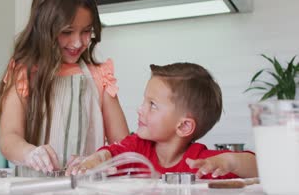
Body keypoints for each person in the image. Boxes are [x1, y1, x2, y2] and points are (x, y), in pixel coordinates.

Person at [0, 0, 129, 173]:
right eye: (67, 32)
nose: (77, 42)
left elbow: (125, 146)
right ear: (44, 28)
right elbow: (9, 138)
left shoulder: (100, 78)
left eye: (86, 31)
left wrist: (100, 160)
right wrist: (30, 153)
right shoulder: (24, 74)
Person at [67, 63, 258, 179]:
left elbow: (258, 167)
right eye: (145, 101)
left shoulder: (200, 162)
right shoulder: (137, 147)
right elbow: (109, 154)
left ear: (183, 126)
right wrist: (93, 161)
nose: (140, 109)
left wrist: (231, 161)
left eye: (152, 105)